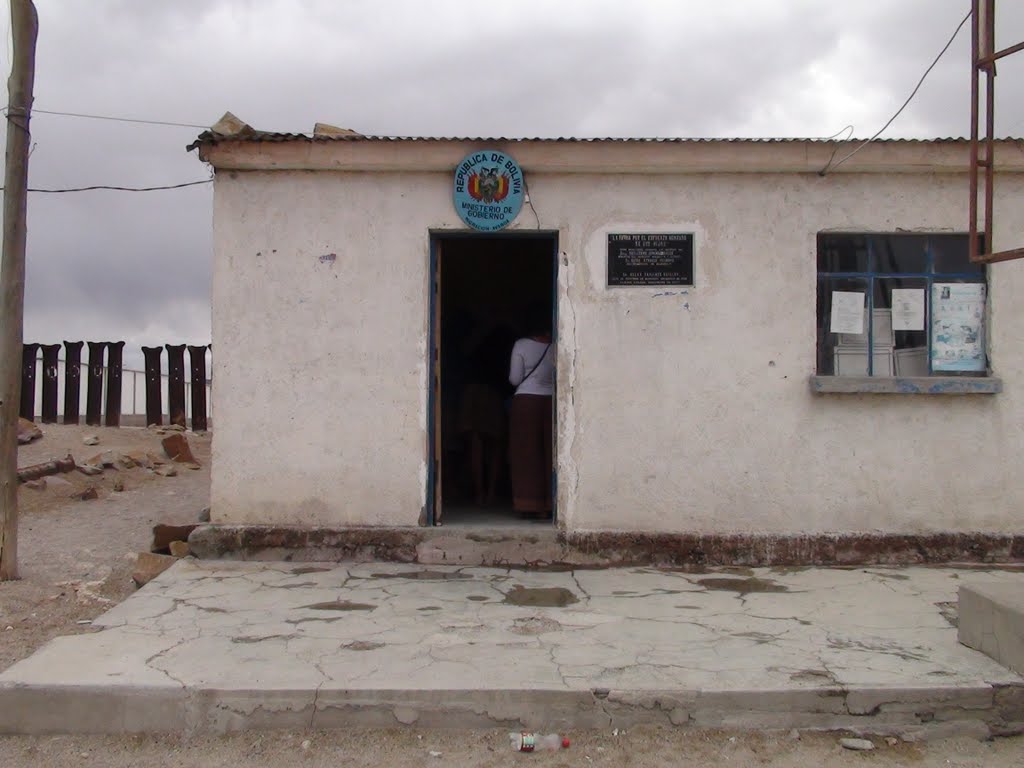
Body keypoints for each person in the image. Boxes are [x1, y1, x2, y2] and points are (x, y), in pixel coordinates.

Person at [508, 306, 554, 519]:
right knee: (550, 453)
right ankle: (550, 504)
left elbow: (515, 379)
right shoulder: (556, 345)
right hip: (551, 402)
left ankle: (529, 504)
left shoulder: (521, 345)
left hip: (526, 402)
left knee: (526, 454)